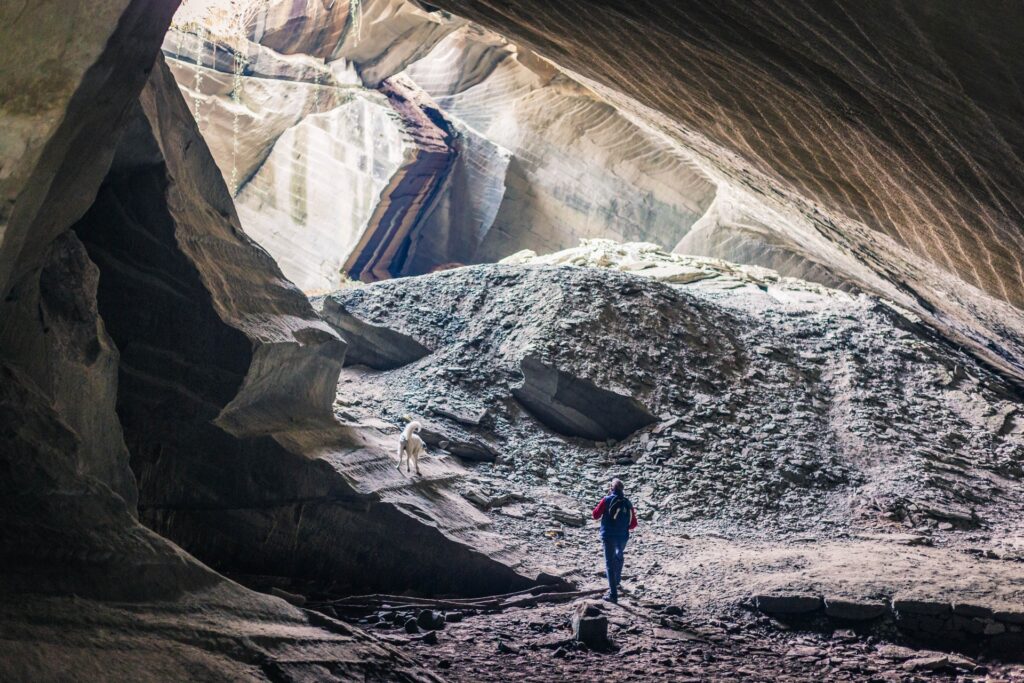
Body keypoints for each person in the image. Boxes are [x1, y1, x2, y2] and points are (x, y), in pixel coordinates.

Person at [591, 478, 637, 603]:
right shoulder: (627, 503)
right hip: (622, 537)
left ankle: (613, 595)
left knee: (609, 564)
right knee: (618, 556)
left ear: (611, 488)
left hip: (609, 536)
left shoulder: (606, 500)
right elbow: (633, 524)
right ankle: (616, 583)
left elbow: (595, 515)